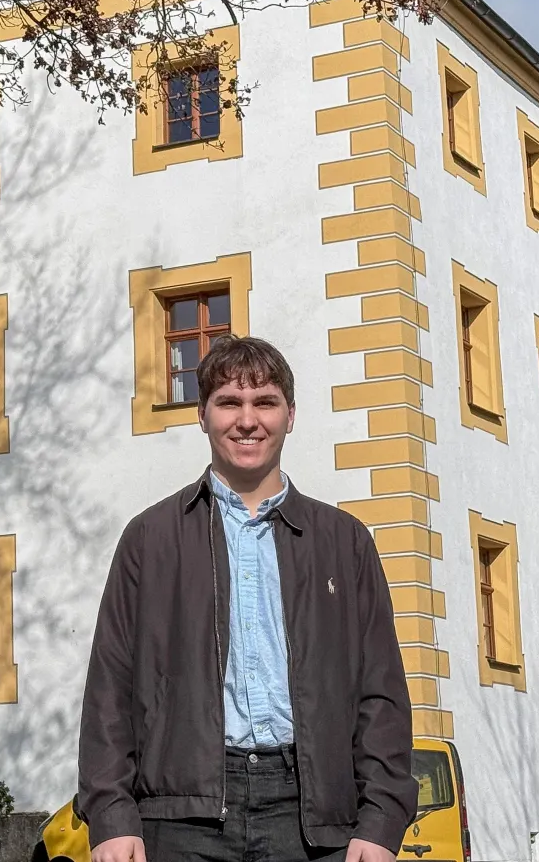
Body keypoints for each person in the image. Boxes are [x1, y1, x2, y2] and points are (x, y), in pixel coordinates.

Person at [78, 336, 417, 862]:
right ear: (203, 415)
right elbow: (110, 689)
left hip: (313, 820)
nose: (247, 420)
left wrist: (381, 820)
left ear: (291, 415)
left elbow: (381, 694)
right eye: (229, 403)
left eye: (265, 402)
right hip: (180, 818)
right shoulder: (149, 538)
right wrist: (110, 815)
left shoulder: (345, 542)